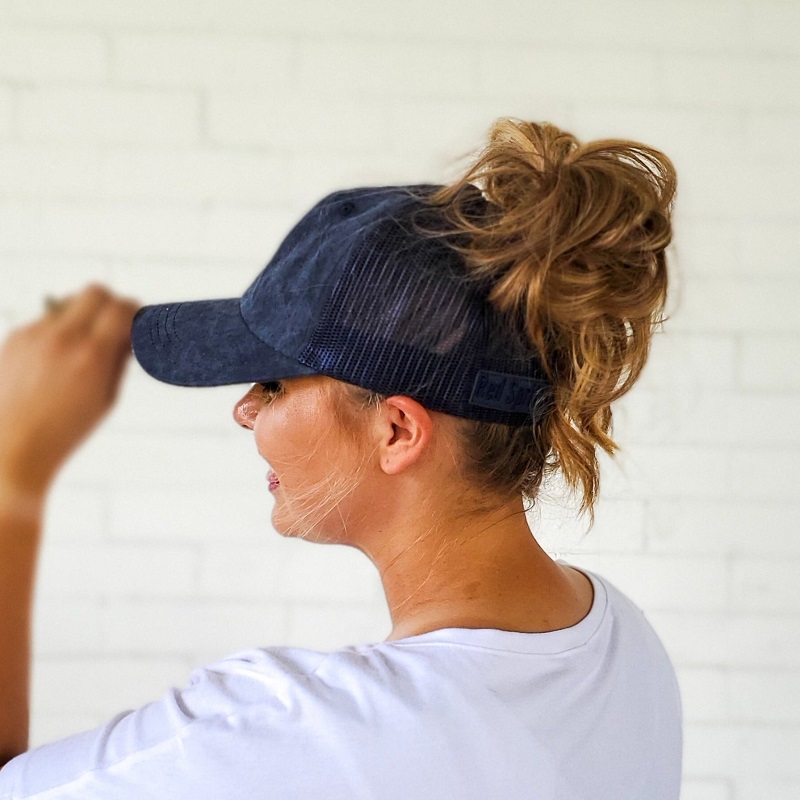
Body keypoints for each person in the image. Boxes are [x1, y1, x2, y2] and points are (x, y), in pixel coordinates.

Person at [0, 119, 682, 798]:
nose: (246, 410)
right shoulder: (622, 643)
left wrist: (14, 475)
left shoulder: (287, 729)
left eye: (272, 384)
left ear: (396, 431)